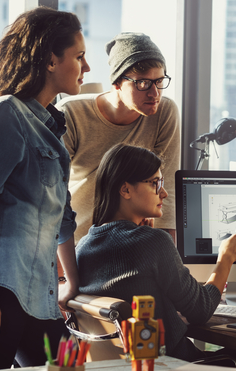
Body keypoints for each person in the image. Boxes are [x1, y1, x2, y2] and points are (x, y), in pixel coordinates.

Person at [0, 7, 89, 370]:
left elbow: (63, 220)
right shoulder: (7, 114)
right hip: (3, 293)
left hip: (41, 298)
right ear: (50, 59)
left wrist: (72, 285)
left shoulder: (53, 128)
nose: (87, 67)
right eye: (79, 57)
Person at [76, 144, 236, 361]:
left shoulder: (83, 246)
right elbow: (201, 310)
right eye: (156, 183)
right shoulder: (153, 242)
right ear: (126, 189)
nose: (164, 193)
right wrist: (225, 258)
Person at [58, 32, 181, 244]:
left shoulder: (165, 112)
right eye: (142, 83)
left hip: (132, 244)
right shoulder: (71, 114)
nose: (154, 94)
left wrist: (168, 258)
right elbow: (55, 196)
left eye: (159, 81)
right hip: (77, 242)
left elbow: (166, 186)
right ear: (117, 83)